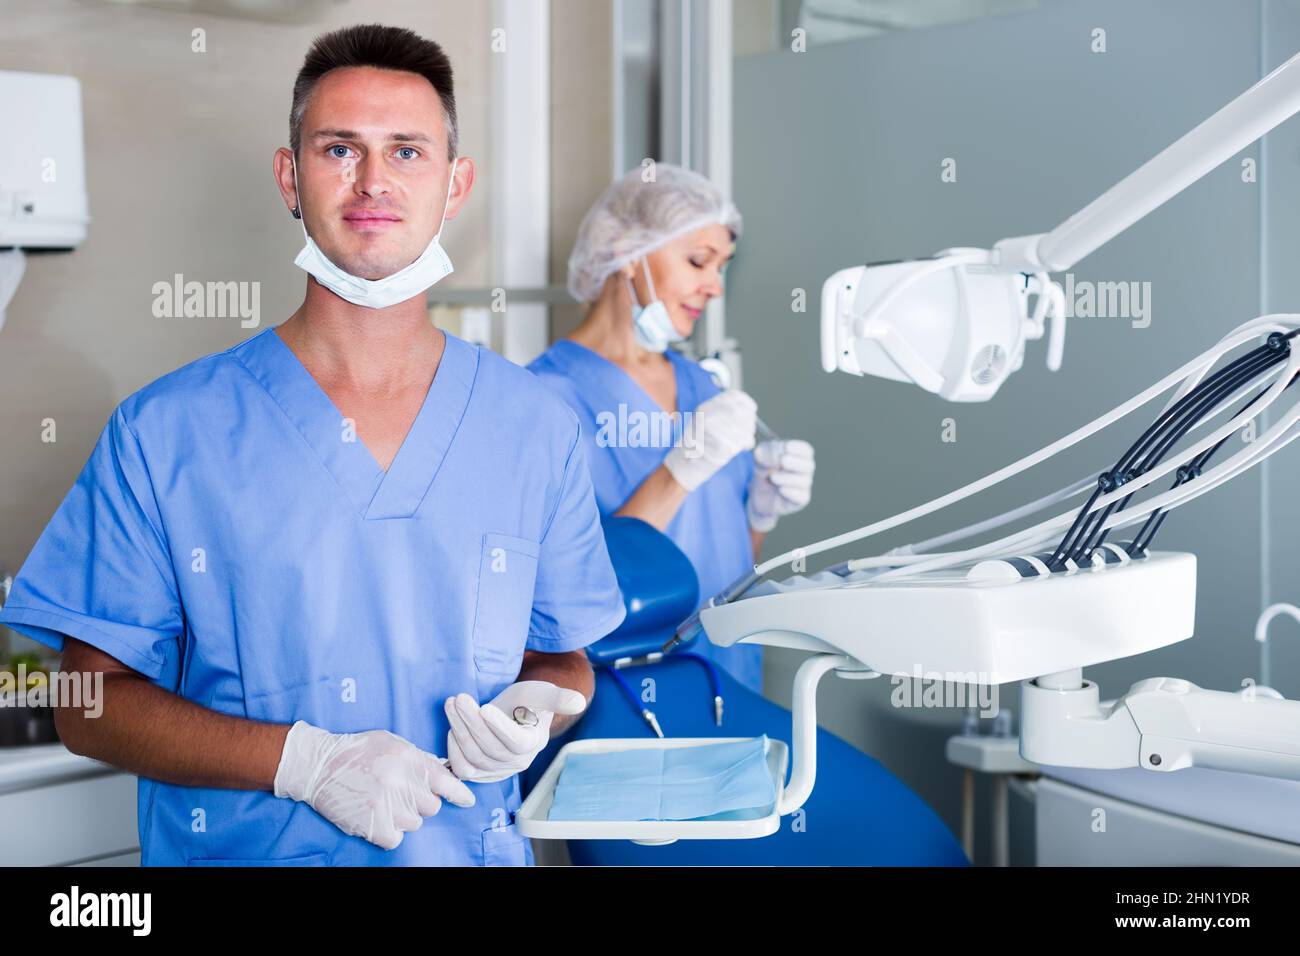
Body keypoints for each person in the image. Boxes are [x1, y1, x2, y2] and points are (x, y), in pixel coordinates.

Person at [0, 24, 624, 867]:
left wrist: (536, 711)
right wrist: (303, 763)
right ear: (290, 178)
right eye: (340, 149)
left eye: (407, 151)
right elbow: (87, 704)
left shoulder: (534, 426)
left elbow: (563, 657)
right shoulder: (166, 432)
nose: (373, 181)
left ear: (455, 183)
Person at [527, 164, 815, 694]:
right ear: (626, 252)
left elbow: (727, 558)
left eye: (722, 267)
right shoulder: (542, 400)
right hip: (626, 700)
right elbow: (574, 596)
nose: (715, 287)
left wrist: (760, 512)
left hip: (731, 684)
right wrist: (678, 473)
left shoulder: (704, 388)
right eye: (698, 261)